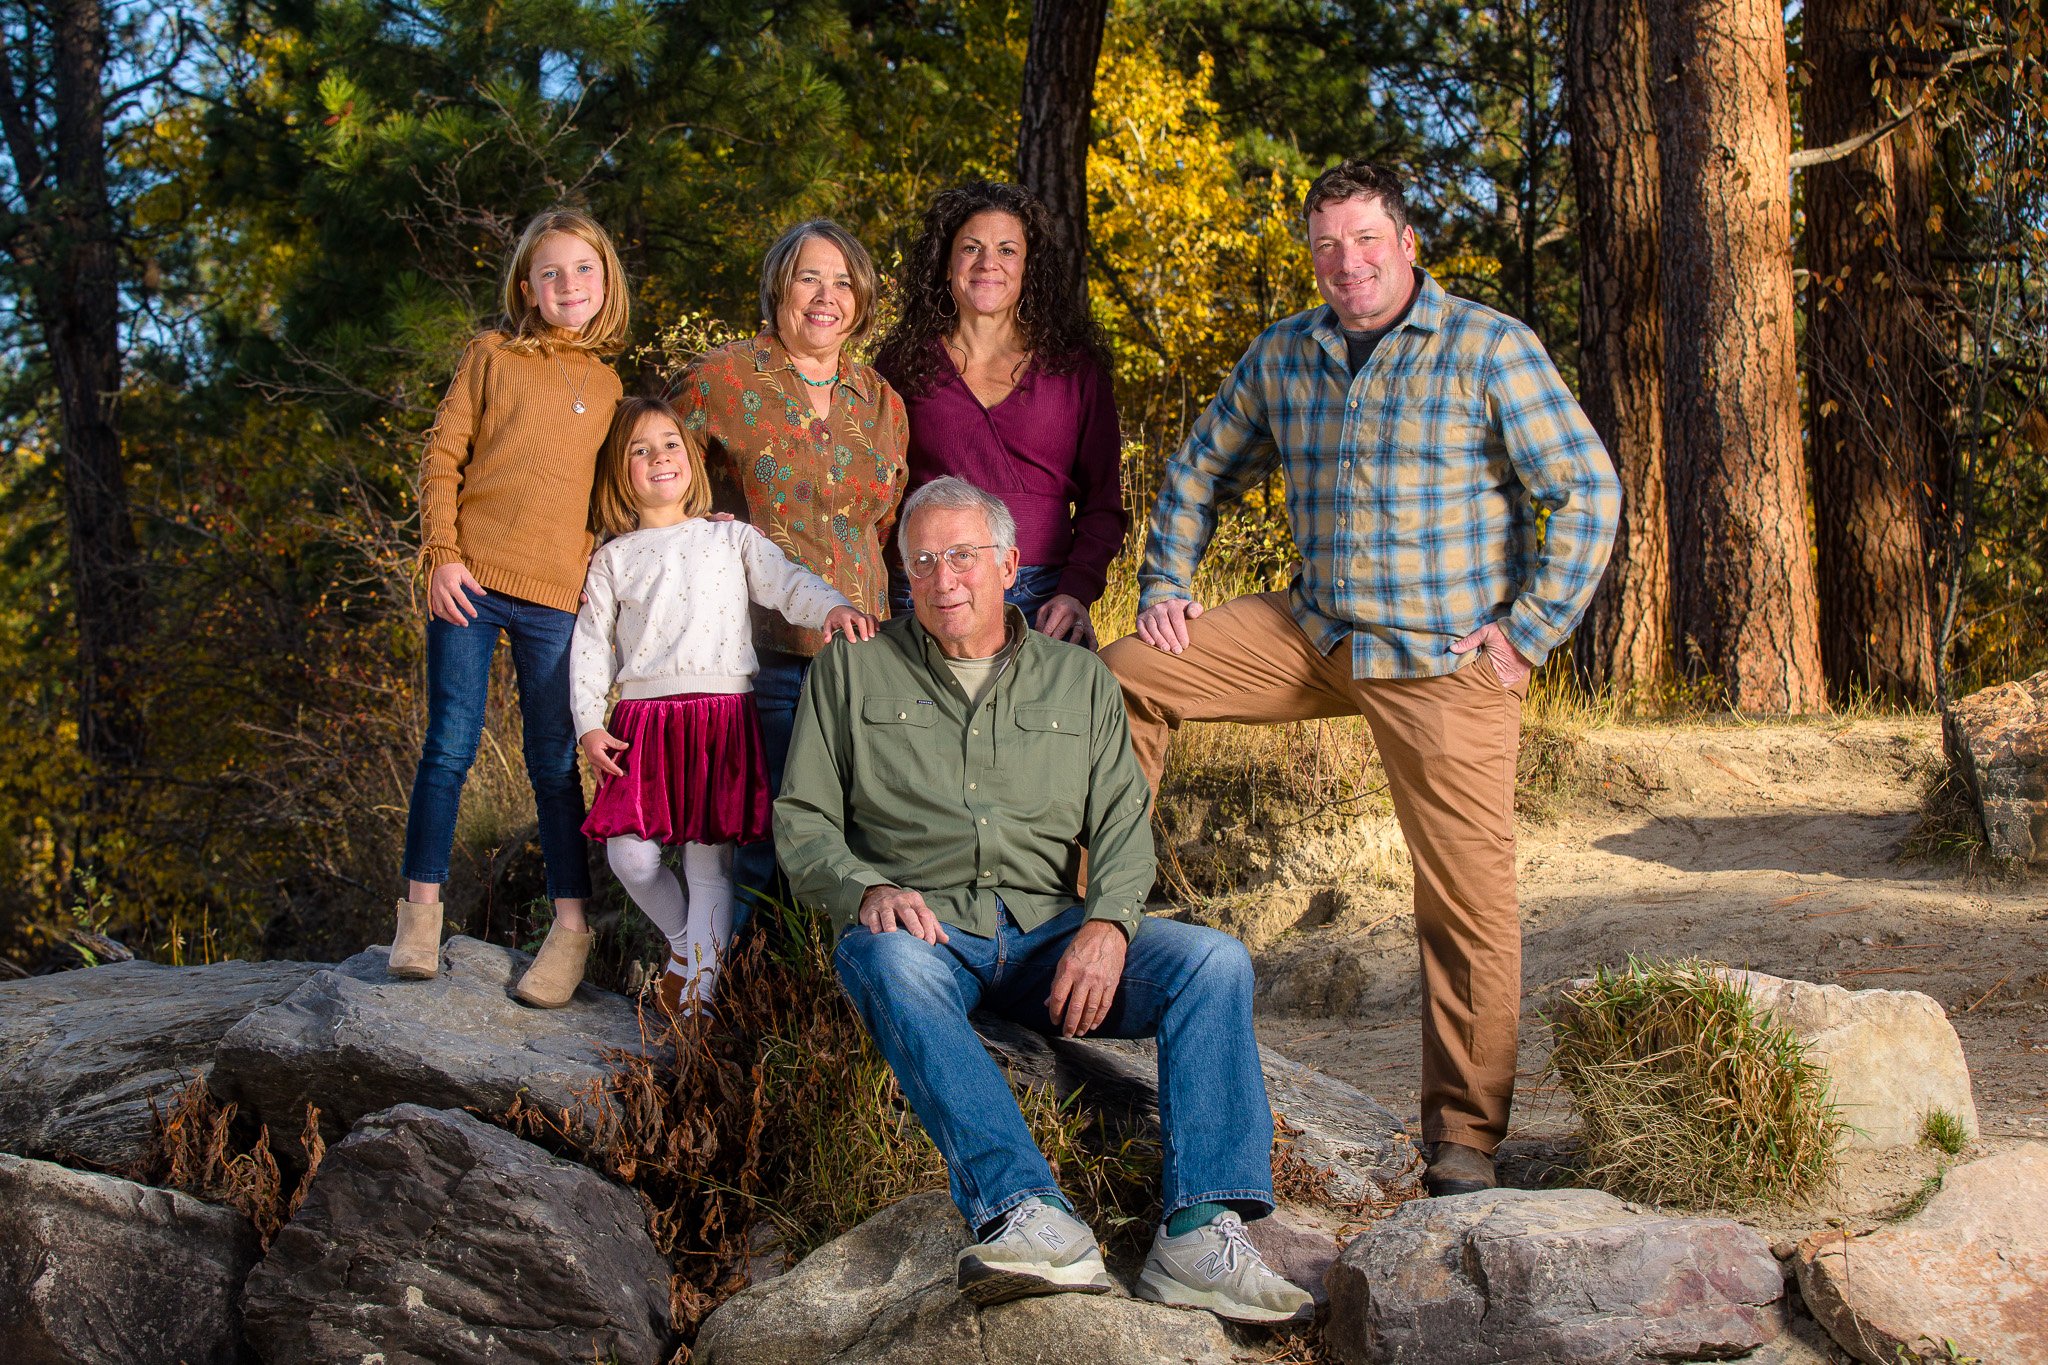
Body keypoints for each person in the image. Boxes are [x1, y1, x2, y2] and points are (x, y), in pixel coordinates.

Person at [1100, 160, 1621, 1198]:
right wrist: (1165, 578)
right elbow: (1200, 463)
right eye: (1326, 246)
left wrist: (1525, 634)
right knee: (1127, 668)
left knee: (1465, 900)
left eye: (1365, 240)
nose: (1347, 263)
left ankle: (1463, 1137)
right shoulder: (1285, 353)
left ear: (1406, 244)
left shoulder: (1486, 346)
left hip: (1441, 662)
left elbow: (1586, 490)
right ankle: (1079, 923)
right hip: (1313, 634)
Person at [774, 477, 1313, 1325]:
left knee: (1215, 959)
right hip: (927, 932)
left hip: (1050, 938)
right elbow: (803, 822)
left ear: (1009, 563)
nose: (943, 576)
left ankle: (1199, 1237)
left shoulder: (1081, 681)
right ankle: (1031, 1214)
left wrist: (1107, 922)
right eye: (922, 560)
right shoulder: (851, 672)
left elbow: (1125, 829)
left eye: (962, 555)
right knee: (879, 955)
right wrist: (864, 886)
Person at [390, 206, 632, 1007]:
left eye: (583, 270)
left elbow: (614, 493)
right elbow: (442, 452)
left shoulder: (606, 387)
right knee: (450, 745)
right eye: (551, 272)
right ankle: (418, 915)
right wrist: (441, 554)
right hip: (471, 581)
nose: (569, 285)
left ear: (606, 282)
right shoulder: (491, 354)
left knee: (553, 764)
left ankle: (569, 928)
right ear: (527, 287)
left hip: (555, 598)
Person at [569, 397, 876, 1017]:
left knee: (712, 865)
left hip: (722, 719)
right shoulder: (613, 558)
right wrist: (589, 723)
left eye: (670, 444)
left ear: (690, 458)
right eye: (639, 449)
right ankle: (684, 944)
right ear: (619, 473)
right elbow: (590, 646)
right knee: (629, 853)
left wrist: (831, 608)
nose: (659, 457)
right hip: (643, 723)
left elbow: (786, 584)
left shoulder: (730, 537)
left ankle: (699, 1003)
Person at [678, 220, 909, 920]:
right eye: (810, 277)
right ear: (779, 285)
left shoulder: (881, 401)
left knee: (852, 833)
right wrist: (694, 527)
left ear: (862, 301)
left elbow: (888, 527)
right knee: (762, 834)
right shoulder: (718, 378)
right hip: (759, 653)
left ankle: (829, 996)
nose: (826, 296)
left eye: (843, 282)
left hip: (861, 656)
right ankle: (739, 1004)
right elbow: (649, 479)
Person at [874, 182, 1125, 648]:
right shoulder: (902, 365)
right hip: (931, 589)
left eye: (1007, 250)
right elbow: (874, 491)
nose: (988, 263)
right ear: (946, 264)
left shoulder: (1075, 369)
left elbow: (1104, 505)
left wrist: (1077, 591)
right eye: (971, 248)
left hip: (1046, 598)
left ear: (1029, 269)